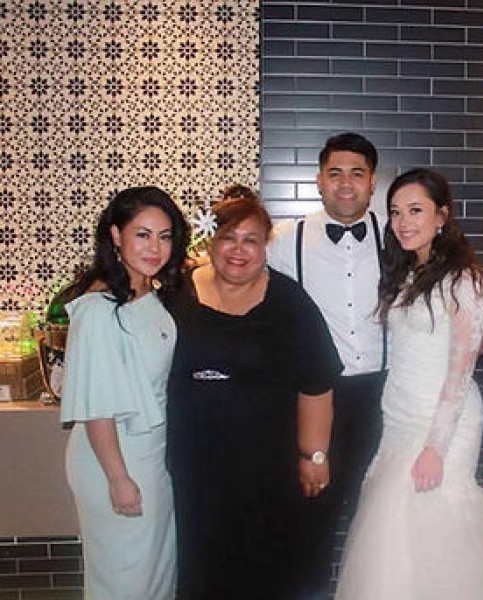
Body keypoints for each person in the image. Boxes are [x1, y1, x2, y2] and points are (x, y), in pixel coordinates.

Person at [335, 168, 483, 599]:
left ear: (442, 216)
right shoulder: (407, 273)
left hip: (445, 423)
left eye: (415, 210)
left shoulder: (463, 281)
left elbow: (459, 374)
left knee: (434, 526)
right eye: (396, 212)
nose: (403, 222)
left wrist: (435, 448)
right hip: (400, 417)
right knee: (392, 531)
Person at [166, 192, 343, 599]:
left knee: (265, 567)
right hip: (192, 466)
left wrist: (315, 456)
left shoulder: (289, 302)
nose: (238, 250)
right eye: (228, 237)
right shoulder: (176, 294)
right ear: (211, 241)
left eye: (251, 240)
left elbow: (317, 383)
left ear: (266, 246)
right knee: (199, 564)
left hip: (267, 468)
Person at [268, 132, 386, 595]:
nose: (345, 183)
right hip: (316, 399)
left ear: (372, 182)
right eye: (335, 173)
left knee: (378, 516)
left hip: (384, 397)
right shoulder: (284, 241)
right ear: (319, 180)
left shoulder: (396, 236)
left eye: (357, 173)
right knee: (312, 517)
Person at [59, 186, 189, 599]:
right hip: (114, 456)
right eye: (142, 234)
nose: (155, 247)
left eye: (164, 236)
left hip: (151, 453)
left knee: (153, 574)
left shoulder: (151, 293)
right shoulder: (99, 309)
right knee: (124, 578)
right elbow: (97, 406)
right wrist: (118, 478)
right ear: (116, 235)